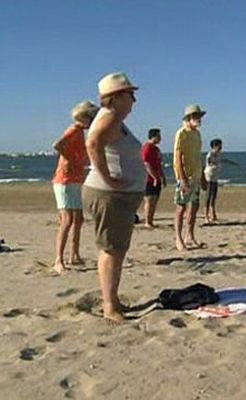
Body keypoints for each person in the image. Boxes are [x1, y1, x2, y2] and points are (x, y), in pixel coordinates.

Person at [82, 72, 145, 323]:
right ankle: (109, 306)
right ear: (116, 97)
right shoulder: (108, 118)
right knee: (111, 251)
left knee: (117, 249)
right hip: (109, 195)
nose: (134, 100)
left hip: (118, 196)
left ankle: (114, 300)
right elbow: (92, 143)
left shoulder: (114, 119)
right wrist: (108, 178)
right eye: (130, 95)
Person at [51, 100, 99, 274]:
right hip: (64, 179)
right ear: (84, 117)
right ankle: (59, 260)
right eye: (91, 117)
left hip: (76, 178)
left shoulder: (81, 133)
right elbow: (57, 145)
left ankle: (74, 254)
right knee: (67, 220)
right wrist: (70, 160)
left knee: (78, 218)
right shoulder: (73, 130)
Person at [173, 104, 208, 251]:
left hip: (196, 175)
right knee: (181, 208)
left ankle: (190, 235)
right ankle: (178, 238)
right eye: (196, 117)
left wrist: (203, 177)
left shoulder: (197, 134)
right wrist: (182, 179)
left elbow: (198, 156)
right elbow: (178, 158)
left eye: (199, 117)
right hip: (185, 176)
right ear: (189, 118)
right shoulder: (182, 133)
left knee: (194, 207)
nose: (199, 120)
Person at [203, 138, 238, 223]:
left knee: (213, 197)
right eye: (219, 145)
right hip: (209, 177)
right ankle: (206, 216)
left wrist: (232, 163)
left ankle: (213, 215)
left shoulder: (219, 154)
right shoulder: (210, 154)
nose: (221, 147)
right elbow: (210, 163)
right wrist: (218, 163)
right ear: (214, 146)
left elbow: (223, 160)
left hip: (215, 177)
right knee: (208, 196)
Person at [141, 128, 166, 228]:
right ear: (153, 136)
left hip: (157, 178)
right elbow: (146, 164)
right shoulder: (147, 148)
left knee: (155, 200)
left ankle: (151, 220)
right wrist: (154, 177)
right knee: (149, 200)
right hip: (148, 179)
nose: (160, 138)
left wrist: (162, 177)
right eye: (159, 136)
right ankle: (147, 221)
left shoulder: (156, 149)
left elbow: (159, 165)